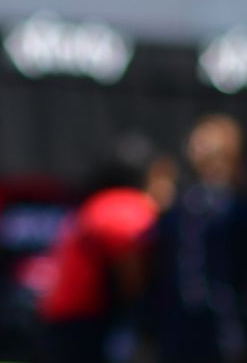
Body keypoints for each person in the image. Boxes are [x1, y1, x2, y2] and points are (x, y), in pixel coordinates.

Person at [143, 115, 247, 363]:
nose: (200, 149)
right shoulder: (182, 204)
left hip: (234, 327)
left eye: (209, 143)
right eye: (198, 143)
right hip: (182, 327)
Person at [37, 135, 166, 363]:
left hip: (70, 319)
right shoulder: (123, 205)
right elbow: (132, 275)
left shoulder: (101, 202)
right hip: (81, 323)